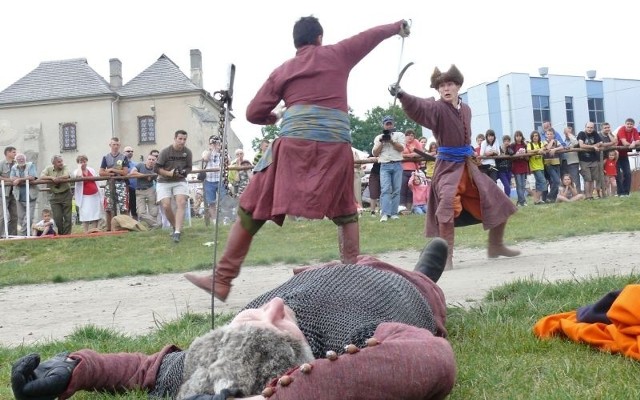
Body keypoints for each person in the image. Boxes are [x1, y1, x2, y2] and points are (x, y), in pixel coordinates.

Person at [11, 241, 455, 400]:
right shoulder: (357, 338)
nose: (273, 306)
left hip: (320, 272)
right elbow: (432, 360)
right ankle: (426, 268)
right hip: (404, 287)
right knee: (426, 268)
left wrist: (76, 368)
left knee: (349, 260)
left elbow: (144, 370)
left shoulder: (217, 358)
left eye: (251, 316)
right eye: (275, 322)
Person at [185, 17, 411, 299]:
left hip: (292, 147)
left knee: (252, 206)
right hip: (335, 149)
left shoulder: (284, 70)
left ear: (296, 43)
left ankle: (223, 279)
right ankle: (352, 278)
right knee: (346, 212)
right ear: (319, 38)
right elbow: (370, 36)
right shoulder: (338, 53)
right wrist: (396, 27)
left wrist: (272, 116)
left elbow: (253, 113)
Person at [389, 64, 520, 270]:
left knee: (500, 200)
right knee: (446, 205)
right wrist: (403, 95)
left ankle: (496, 245)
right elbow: (420, 107)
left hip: (468, 166)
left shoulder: (466, 108)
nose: (445, 89)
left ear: (458, 86)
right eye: (441, 86)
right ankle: (446, 258)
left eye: (449, 84)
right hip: (447, 168)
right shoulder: (437, 108)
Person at [155, 130, 193, 243]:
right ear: (175, 138)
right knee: (166, 206)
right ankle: (175, 226)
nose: (182, 141)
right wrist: (169, 173)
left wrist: (184, 172)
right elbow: (156, 168)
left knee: (181, 202)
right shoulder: (165, 152)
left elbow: (189, 167)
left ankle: (177, 232)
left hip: (179, 180)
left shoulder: (188, 152)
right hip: (163, 180)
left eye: (184, 139)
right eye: (180, 139)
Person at [373, 116, 405, 221]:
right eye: (387, 124)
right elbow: (375, 153)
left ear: (393, 124)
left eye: (390, 123)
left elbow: (401, 148)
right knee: (385, 189)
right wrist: (382, 142)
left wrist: (391, 141)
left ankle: (394, 213)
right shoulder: (379, 137)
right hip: (384, 165)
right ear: (384, 125)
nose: (389, 125)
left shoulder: (399, 135)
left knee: (396, 190)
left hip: (397, 164)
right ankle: (385, 213)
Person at [99, 137, 129, 231]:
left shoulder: (123, 157)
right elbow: (101, 172)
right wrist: (112, 173)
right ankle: (109, 228)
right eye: (114, 144)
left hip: (121, 184)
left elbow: (125, 172)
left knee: (123, 206)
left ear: (119, 146)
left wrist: (112, 169)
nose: (115, 146)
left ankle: (125, 226)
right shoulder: (106, 157)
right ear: (110, 145)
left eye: (117, 145)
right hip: (109, 183)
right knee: (109, 207)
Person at [40, 155, 73, 235]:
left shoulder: (65, 167)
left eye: (61, 161)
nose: (61, 163)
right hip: (54, 195)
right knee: (57, 218)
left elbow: (66, 175)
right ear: (53, 163)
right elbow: (41, 176)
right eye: (59, 162)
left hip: (66, 194)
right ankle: (61, 234)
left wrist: (57, 179)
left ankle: (67, 235)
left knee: (68, 217)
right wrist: (51, 178)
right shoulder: (48, 169)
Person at [72, 155, 103, 233]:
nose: (83, 163)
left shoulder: (91, 170)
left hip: (95, 194)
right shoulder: (76, 171)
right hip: (84, 196)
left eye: (84, 161)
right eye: (81, 162)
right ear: (78, 163)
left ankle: (94, 230)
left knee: (96, 213)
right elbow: (79, 176)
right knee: (85, 214)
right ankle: (86, 231)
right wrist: (79, 167)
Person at [10, 153, 38, 236]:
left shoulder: (31, 165)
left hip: (30, 195)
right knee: (21, 218)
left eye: (22, 158)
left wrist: (19, 180)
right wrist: (19, 179)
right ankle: (26, 235)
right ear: (16, 160)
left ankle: (22, 235)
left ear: (25, 159)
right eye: (19, 159)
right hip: (19, 196)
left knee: (28, 217)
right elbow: (12, 178)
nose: (21, 160)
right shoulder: (14, 167)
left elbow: (32, 177)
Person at [130, 152, 159, 229]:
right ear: (146, 160)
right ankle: (156, 224)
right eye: (149, 159)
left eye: (153, 160)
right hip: (139, 191)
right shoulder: (140, 165)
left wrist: (148, 176)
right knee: (140, 213)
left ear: (155, 161)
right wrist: (144, 176)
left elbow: (156, 178)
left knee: (153, 211)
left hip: (150, 189)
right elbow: (132, 173)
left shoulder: (156, 169)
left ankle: (153, 227)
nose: (151, 161)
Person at [399, 128, 423, 213]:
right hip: (403, 169)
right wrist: (411, 155)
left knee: (411, 190)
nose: (410, 137)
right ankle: (402, 208)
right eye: (408, 135)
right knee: (403, 188)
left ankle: (409, 208)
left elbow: (421, 153)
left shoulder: (416, 142)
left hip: (413, 169)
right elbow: (400, 154)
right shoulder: (402, 143)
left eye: (412, 135)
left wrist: (411, 155)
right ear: (405, 136)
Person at [577, 122, 602, 200]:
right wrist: (593, 147)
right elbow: (581, 145)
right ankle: (587, 196)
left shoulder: (595, 133)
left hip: (594, 159)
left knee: (593, 179)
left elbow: (600, 142)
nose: (590, 129)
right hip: (584, 160)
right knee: (587, 179)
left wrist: (595, 146)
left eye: (591, 127)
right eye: (588, 127)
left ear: (593, 128)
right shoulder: (581, 134)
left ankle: (591, 196)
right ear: (585, 127)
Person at [614, 118, 639, 197]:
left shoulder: (634, 130)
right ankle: (620, 192)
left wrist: (634, 142)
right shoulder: (621, 129)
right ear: (625, 124)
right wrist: (631, 144)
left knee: (628, 173)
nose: (629, 125)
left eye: (631, 124)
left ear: (633, 125)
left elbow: (638, 140)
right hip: (616, 155)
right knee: (618, 174)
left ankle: (626, 192)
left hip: (624, 155)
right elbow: (624, 142)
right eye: (628, 124)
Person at [201, 136, 223, 225]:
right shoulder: (206, 152)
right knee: (211, 202)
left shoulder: (222, 153)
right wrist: (211, 149)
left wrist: (220, 150)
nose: (214, 144)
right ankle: (215, 221)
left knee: (224, 200)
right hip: (209, 180)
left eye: (216, 142)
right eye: (212, 142)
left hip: (221, 180)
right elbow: (205, 159)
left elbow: (228, 161)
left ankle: (224, 219)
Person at [0, 146, 19, 237]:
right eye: (13, 152)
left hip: (14, 193)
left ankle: (12, 236)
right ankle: (1, 235)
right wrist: (9, 180)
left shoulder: (17, 164)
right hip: (3, 194)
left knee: (14, 216)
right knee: (2, 216)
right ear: (7, 153)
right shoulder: (1, 164)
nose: (15, 154)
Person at [542, 127, 563, 203]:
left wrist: (555, 149)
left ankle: (552, 198)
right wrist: (552, 142)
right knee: (556, 181)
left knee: (557, 181)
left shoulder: (556, 141)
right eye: (548, 134)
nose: (549, 135)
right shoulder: (544, 141)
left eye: (551, 134)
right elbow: (547, 148)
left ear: (554, 135)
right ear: (545, 135)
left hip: (556, 162)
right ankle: (549, 196)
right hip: (549, 164)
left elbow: (562, 147)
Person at [510, 130, 529, 207]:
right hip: (516, 167)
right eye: (517, 136)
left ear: (522, 137)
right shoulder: (512, 145)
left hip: (524, 166)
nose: (518, 137)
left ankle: (520, 201)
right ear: (515, 137)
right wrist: (517, 155)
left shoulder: (525, 145)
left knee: (523, 185)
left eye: (520, 136)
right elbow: (511, 156)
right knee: (519, 184)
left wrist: (524, 155)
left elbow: (528, 157)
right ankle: (522, 201)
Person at [527, 130, 546, 205]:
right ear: (531, 137)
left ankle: (537, 200)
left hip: (541, 165)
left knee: (538, 183)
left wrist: (542, 149)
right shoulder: (530, 144)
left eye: (536, 135)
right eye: (534, 136)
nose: (535, 137)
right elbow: (528, 151)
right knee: (543, 182)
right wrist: (538, 150)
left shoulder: (541, 143)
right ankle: (536, 198)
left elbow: (545, 148)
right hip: (534, 166)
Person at [561, 126, 581, 194]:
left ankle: (577, 194)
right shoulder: (563, 141)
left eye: (569, 132)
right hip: (564, 162)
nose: (567, 133)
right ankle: (567, 194)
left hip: (572, 162)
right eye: (565, 132)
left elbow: (575, 143)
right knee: (565, 180)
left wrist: (569, 134)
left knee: (575, 179)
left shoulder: (574, 139)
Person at [123, 146, 138, 219]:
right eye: (128, 151)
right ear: (124, 153)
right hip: (125, 188)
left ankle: (135, 222)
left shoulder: (135, 164)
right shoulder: (121, 163)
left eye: (132, 151)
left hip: (134, 188)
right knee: (126, 207)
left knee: (134, 206)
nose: (130, 153)